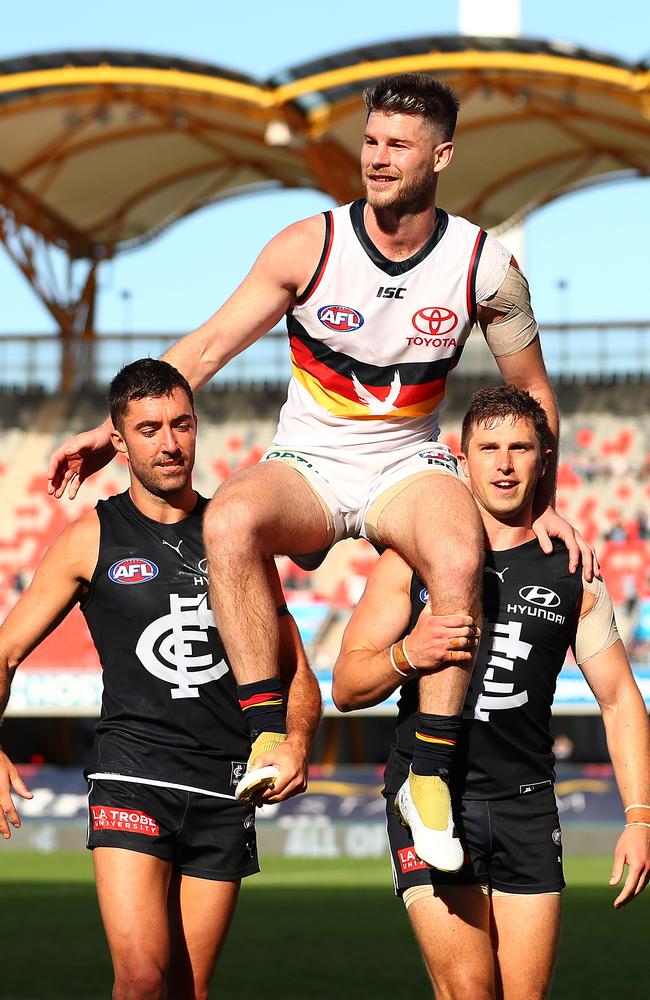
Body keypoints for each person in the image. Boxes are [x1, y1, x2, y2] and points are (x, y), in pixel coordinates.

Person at [47, 74, 594, 868]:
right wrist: (107, 429)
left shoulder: (486, 266)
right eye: (370, 141)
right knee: (229, 519)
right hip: (308, 460)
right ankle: (268, 730)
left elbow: (534, 391)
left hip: (407, 460)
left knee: (460, 552)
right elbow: (204, 349)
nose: (376, 157)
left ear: (441, 155)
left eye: (397, 145)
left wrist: (541, 501)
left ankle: (430, 774)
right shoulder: (310, 245)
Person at [0, 359, 321, 1000]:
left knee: (188, 990)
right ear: (118, 442)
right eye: (148, 429)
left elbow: (297, 671)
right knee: (142, 981)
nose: (169, 443)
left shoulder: (236, 533)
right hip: (133, 772)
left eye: (181, 424)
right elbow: (4, 652)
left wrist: (297, 741)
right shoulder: (91, 536)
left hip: (227, 784)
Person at [332, 384, 650, 1000]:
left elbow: (619, 699)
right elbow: (347, 684)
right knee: (470, 990)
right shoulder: (411, 560)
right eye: (489, 447)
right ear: (462, 457)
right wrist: (408, 654)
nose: (504, 463)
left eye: (520, 448)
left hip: (527, 805)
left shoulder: (572, 571)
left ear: (543, 459)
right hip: (433, 800)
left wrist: (639, 817)